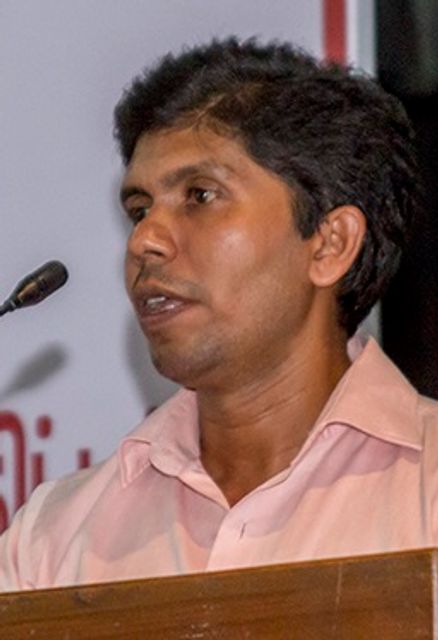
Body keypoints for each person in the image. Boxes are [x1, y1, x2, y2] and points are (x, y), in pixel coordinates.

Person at [1, 36, 437, 591]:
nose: (144, 241)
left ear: (330, 244)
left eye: (200, 196)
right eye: (139, 210)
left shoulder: (426, 491)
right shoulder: (52, 541)